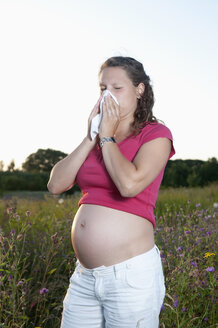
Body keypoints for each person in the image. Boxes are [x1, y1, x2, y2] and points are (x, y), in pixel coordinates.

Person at [47, 56, 175, 328]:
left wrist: (107, 138)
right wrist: (90, 137)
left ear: (139, 89)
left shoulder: (156, 134)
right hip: (86, 276)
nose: (108, 95)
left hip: (130, 275)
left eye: (117, 88)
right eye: (103, 88)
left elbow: (129, 185)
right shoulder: (98, 138)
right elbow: (55, 185)